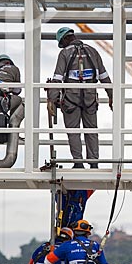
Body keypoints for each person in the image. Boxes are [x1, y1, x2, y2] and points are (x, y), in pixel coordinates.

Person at [47, 27, 113, 169]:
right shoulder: (93, 51)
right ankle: (94, 163)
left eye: (62, 43)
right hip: (90, 99)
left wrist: (51, 100)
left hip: (71, 100)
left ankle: (78, 162)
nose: (62, 46)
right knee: (91, 131)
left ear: (65, 39)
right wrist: (112, 96)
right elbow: (104, 77)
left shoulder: (64, 53)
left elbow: (57, 79)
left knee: (73, 132)